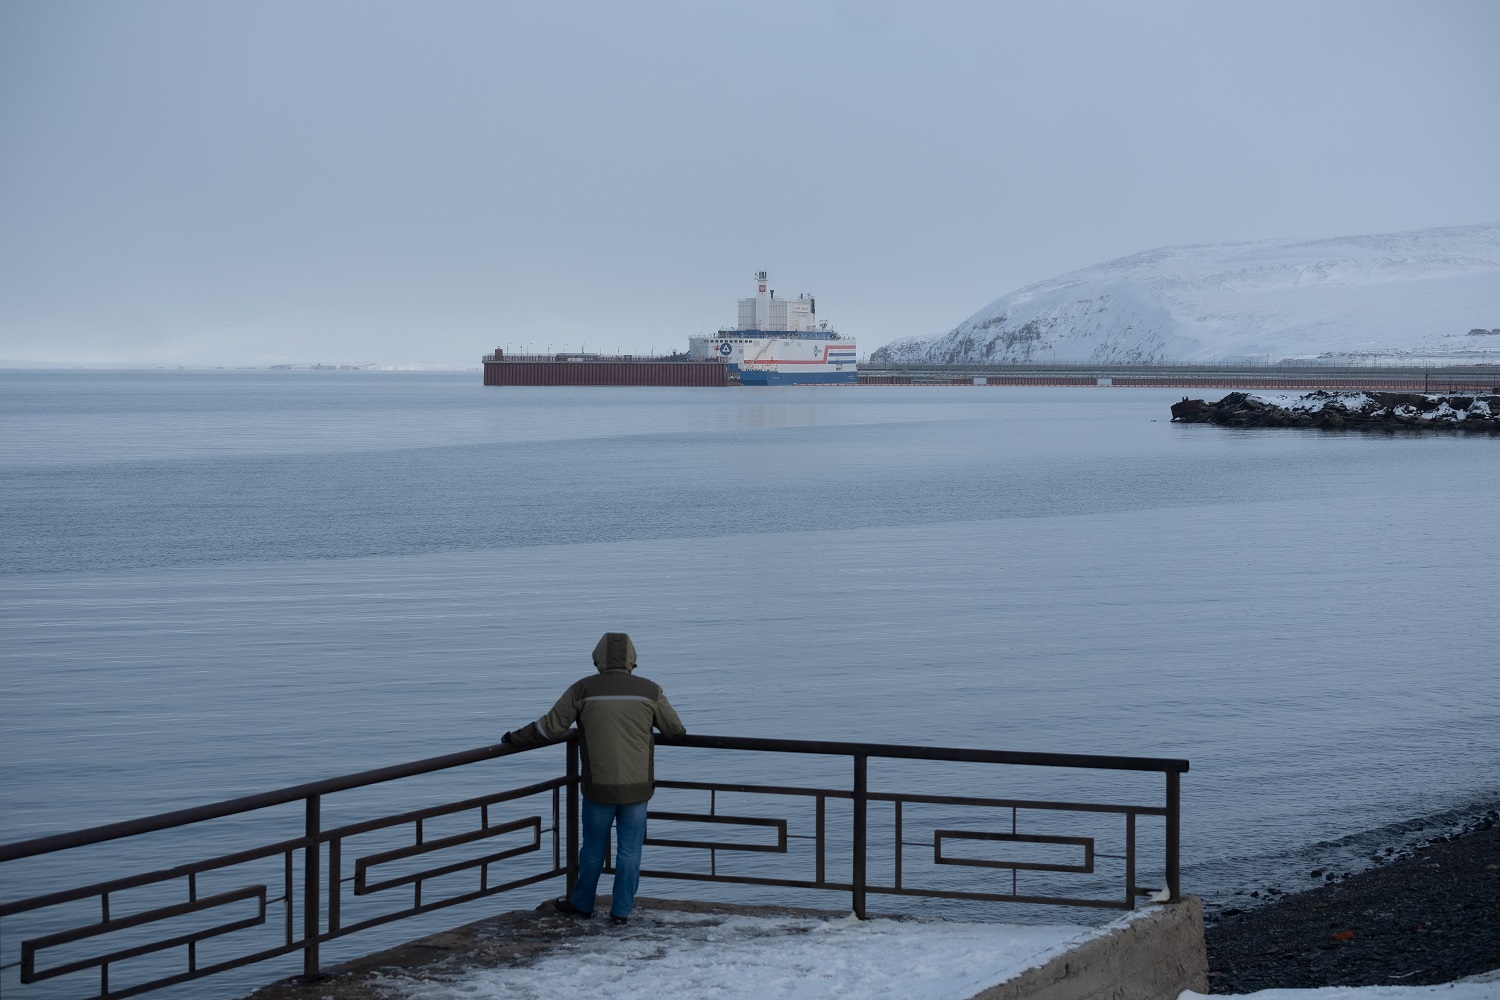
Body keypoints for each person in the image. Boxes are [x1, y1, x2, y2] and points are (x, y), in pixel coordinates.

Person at [503, 632, 685, 925]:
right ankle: (621, 912)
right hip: (637, 787)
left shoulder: (583, 689)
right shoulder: (650, 691)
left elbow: (548, 728)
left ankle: (583, 903)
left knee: (592, 849)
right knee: (630, 852)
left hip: (597, 786)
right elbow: (675, 730)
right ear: (632, 659)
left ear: (597, 657)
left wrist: (513, 738)